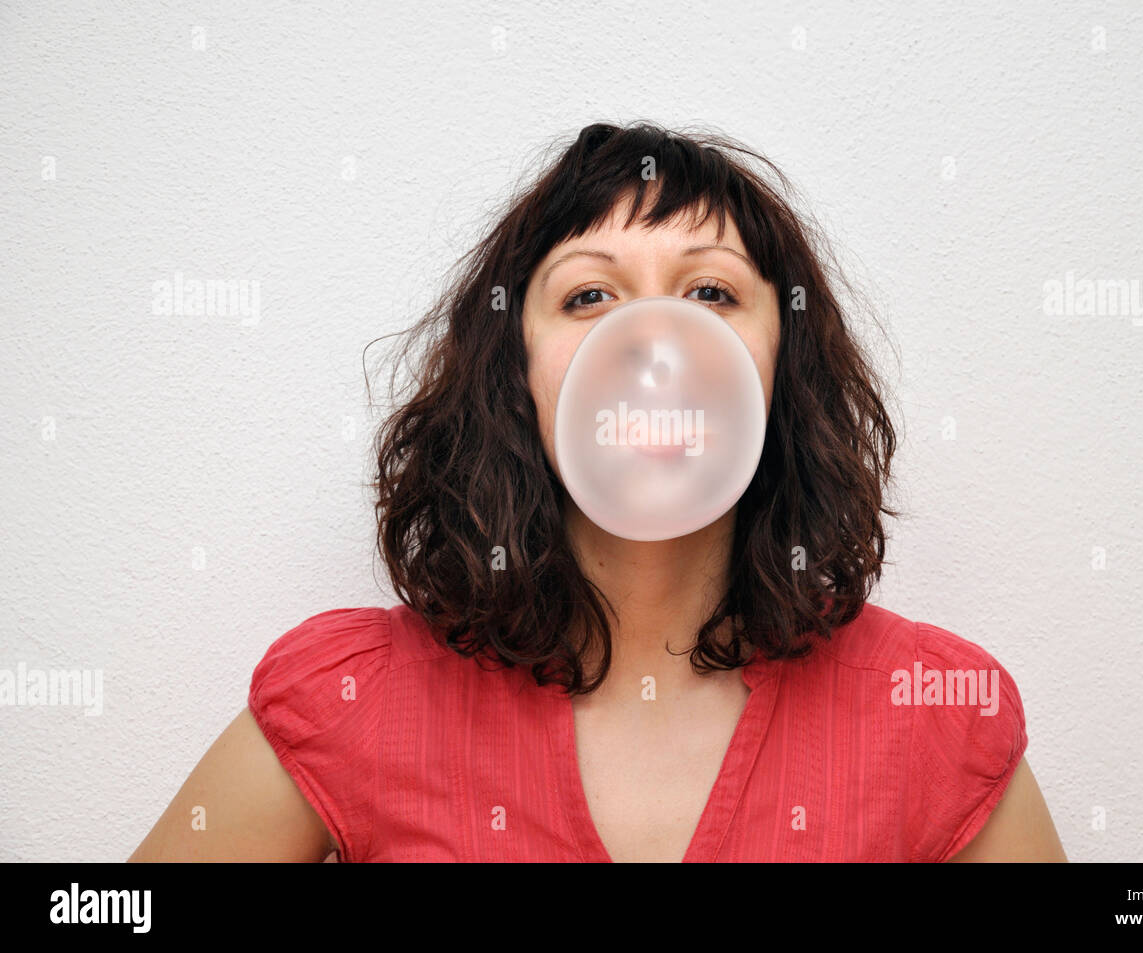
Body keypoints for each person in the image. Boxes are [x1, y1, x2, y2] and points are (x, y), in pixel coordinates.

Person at [129, 121, 1067, 862]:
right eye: (589, 297)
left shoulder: (931, 711)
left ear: (783, 367)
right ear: (517, 368)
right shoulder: (352, 697)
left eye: (709, 293)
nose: (654, 341)